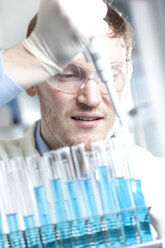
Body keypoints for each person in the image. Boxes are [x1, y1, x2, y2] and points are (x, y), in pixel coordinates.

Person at [0, 0, 165, 245]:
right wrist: (27, 57)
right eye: (68, 75)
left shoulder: (157, 179)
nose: (91, 98)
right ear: (32, 82)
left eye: (110, 74)